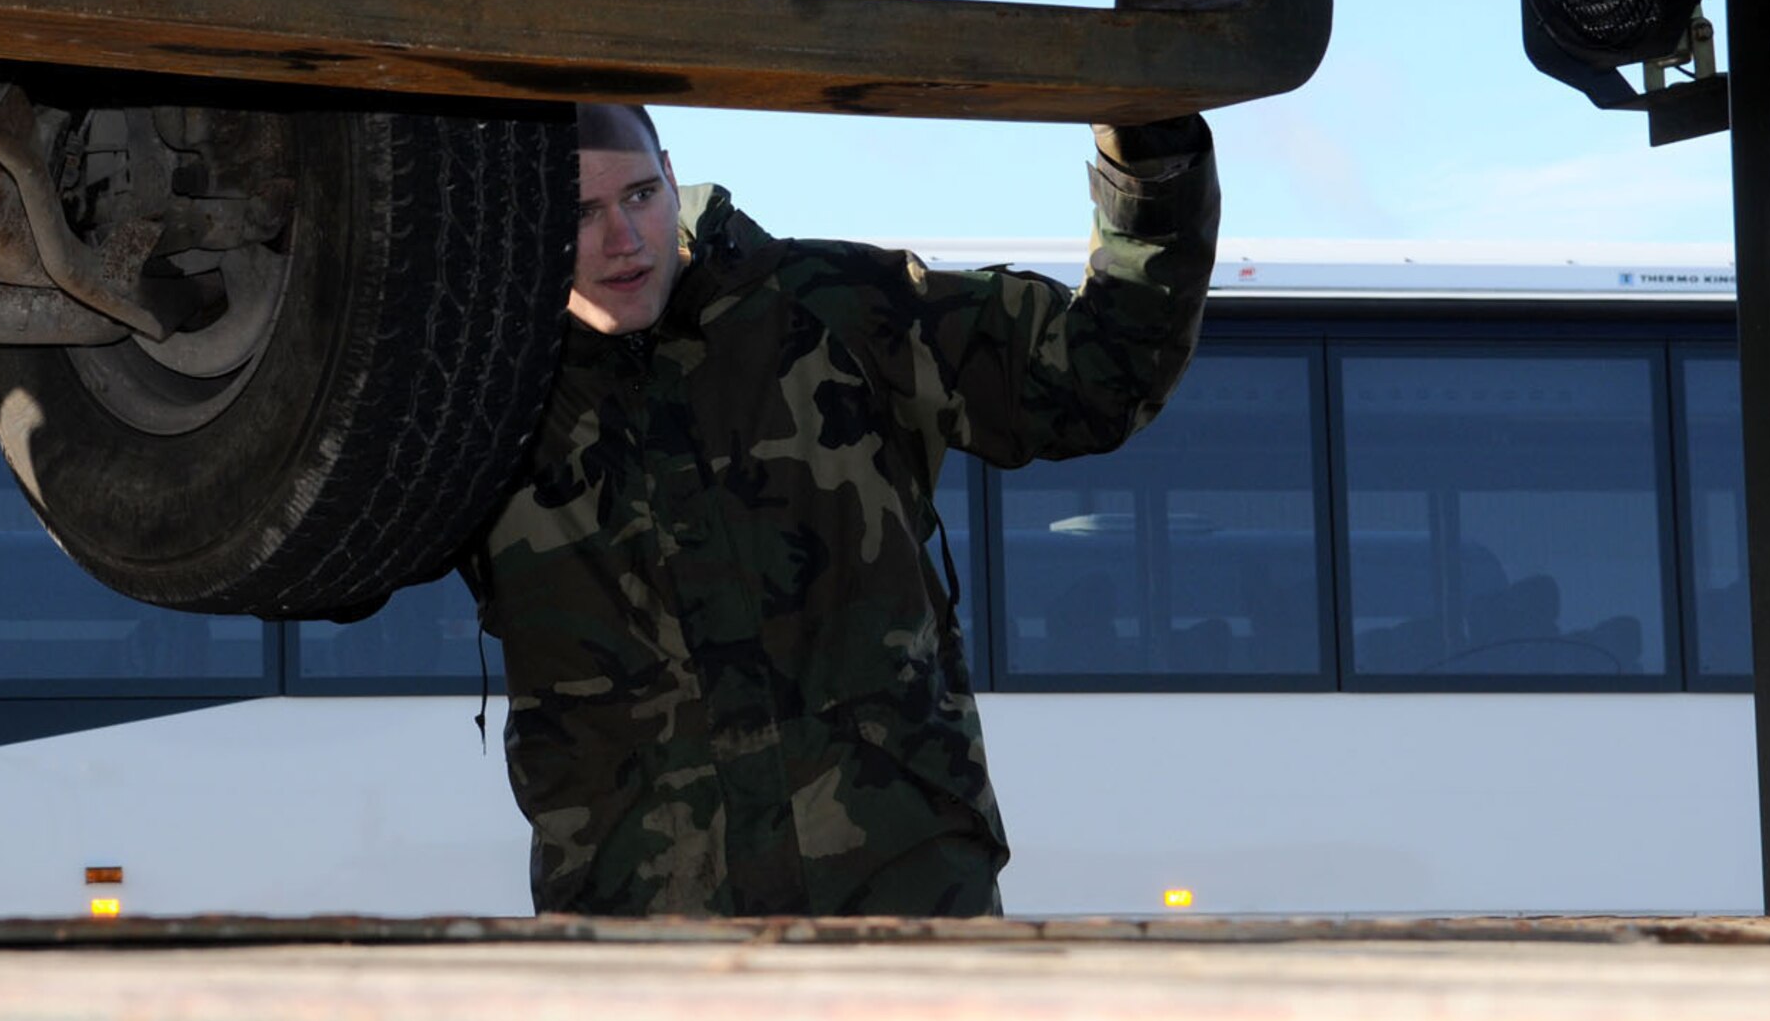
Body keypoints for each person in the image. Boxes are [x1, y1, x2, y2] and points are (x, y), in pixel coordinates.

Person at [475, 101, 1220, 916]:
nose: (625, 238)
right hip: (648, 950)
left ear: (670, 173)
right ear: (520, 216)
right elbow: (328, 552)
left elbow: (1099, 372)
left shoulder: (834, 309)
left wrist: (1152, 153)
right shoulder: (487, 401)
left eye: (642, 196)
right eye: (581, 212)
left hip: (901, 916)